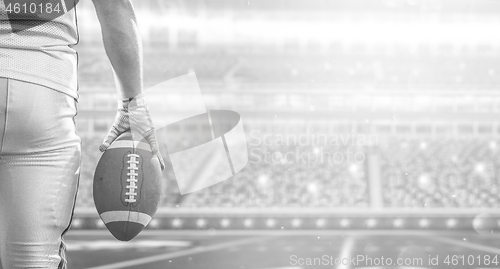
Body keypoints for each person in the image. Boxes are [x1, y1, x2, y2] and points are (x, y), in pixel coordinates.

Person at [0, 0, 164, 268]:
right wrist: (132, 103)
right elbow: (115, 8)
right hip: (42, 88)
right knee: (34, 261)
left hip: (43, 88)